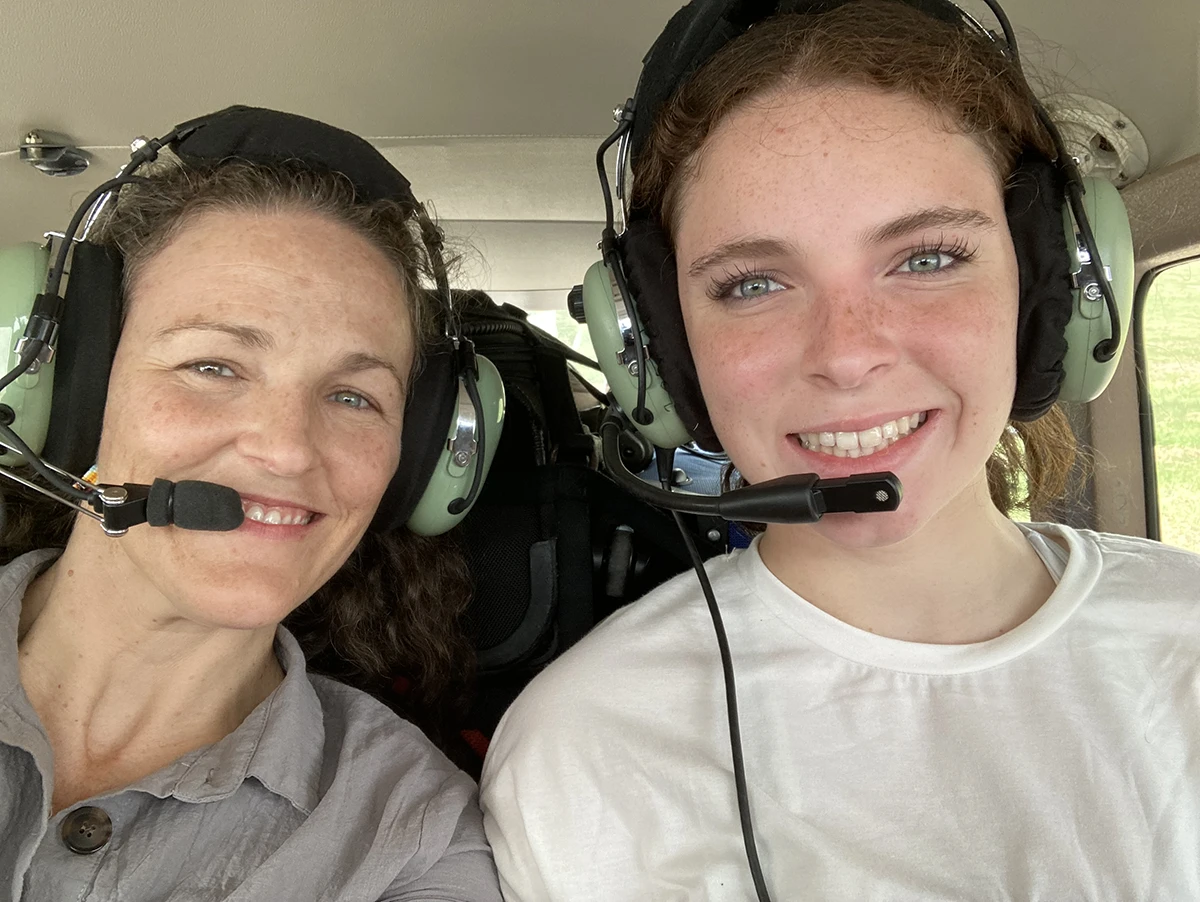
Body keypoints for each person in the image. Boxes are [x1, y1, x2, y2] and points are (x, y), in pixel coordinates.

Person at [479, 1, 1200, 898]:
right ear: (661, 349)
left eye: (927, 258)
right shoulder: (585, 750)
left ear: (1054, 282)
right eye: (752, 283)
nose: (848, 355)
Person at [1, 107, 502, 900]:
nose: (288, 449)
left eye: (352, 396)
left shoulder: (416, 843)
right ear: (69, 390)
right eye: (213, 366)